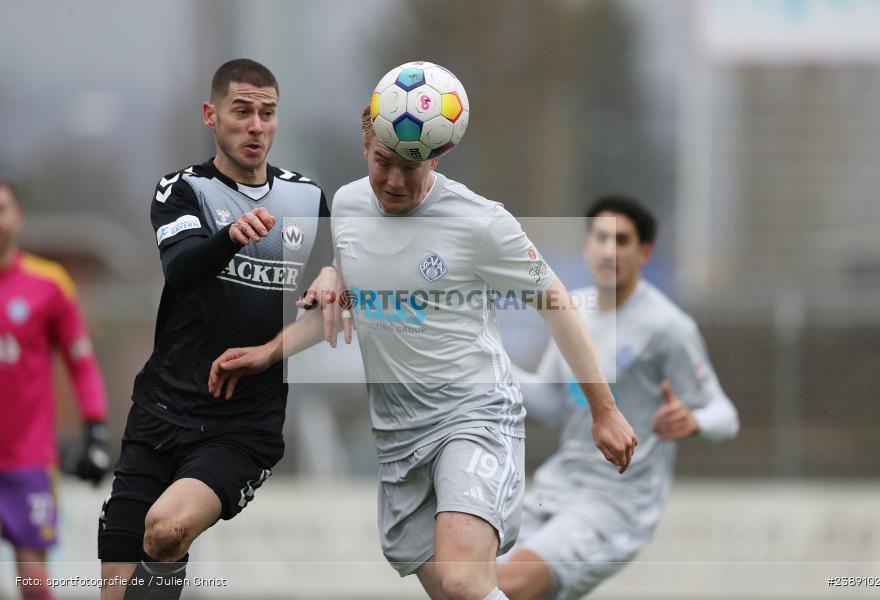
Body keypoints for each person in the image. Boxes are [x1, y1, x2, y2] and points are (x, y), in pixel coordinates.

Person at [207, 106, 638, 600]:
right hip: (397, 438)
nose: (392, 181)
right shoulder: (348, 205)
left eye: (408, 167)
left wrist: (603, 410)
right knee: (461, 594)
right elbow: (349, 300)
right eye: (381, 162)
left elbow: (556, 303)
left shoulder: (481, 222)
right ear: (364, 150)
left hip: (473, 417)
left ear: (434, 160)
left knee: (462, 579)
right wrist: (271, 351)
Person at [96, 59, 345, 600]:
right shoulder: (182, 190)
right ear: (212, 116)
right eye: (242, 111)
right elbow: (181, 269)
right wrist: (229, 236)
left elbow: (332, 313)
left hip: (242, 427)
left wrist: (326, 278)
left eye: (267, 113)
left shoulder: (306, 201)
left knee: (167, 530)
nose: (256, 125)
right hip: (159, 414)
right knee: (116, 590)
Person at [496, 195, 740, 600]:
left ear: (644, 252)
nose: (609, 250)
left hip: (616, 505)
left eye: (622, 240)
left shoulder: (667, 327)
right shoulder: (572, 311)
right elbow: (555, 407)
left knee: (508, 587)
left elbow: (724, 414)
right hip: (555, 489)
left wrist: (695, 421)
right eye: (600, 238)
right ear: (586, 245)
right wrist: (492, 363)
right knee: (463, 585)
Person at [0, 178, 110, 600]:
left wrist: (95, 431)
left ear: (18, 218)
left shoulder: (49, 284)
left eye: (3, 207)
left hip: (29, 462)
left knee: (33, 584)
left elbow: (81, 365)